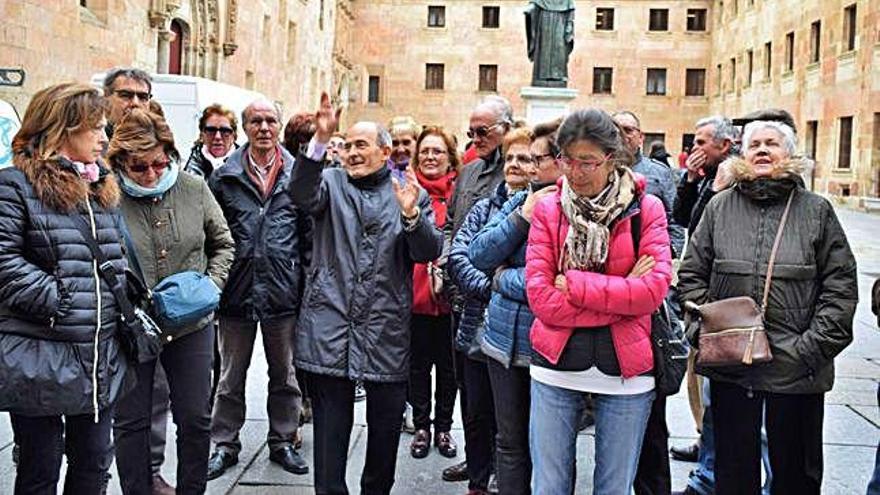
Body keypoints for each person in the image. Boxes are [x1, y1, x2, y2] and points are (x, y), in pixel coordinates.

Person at [678, 119, 857, 495]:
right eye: (755, 143)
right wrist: (708, 336)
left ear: (788, 153)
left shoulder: (816, 211)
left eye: (772, 143)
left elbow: (840, 288)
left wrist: (806, 351)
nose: (762, 150)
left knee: (796, 477)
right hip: (731, 368)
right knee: (732, 475)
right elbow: (692, 278)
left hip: (797, 372)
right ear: (742, 153)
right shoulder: (719, 208)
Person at [291, 93, 443, 495]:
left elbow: (428, 252)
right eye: (349, 145)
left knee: (384, 433)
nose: (354, 153)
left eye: (363, 145)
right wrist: (320, 141)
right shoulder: (330, 182)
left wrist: (411, 215)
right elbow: (301, 194)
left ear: (385, 151)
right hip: (331, 324)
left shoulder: (408, 192)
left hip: (385, 328)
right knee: (330, 434)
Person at [526, 108, 672, 494]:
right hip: (554, 366)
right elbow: (541, 298)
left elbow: (653, 290)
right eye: (567, 160)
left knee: (615, 488)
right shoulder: (548, 209)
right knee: (549, 486)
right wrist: (621, 293)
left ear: (612, 158)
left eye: (587, 162)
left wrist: (573, 284)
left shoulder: (647, 210)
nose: (575, 173)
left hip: (627, 373)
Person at [0, 82, 131, 494]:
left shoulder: (100, 187)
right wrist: (62, 300)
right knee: (40, 467)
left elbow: (113, 257)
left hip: (98, 352)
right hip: (41, 351)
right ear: (61, 129)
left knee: (93, 464)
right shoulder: (14, 185)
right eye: (94, 128)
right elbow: (4, 262)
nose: (104, 139)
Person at [107, 108, 235, 495]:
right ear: (119, 163)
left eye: (159, 164)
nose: (150, 175)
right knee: (131, 421)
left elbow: (224, 244)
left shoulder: (193, 188)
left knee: (195, 418)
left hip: (190, 324)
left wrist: (212, 287)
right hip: (131, 328)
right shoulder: (105, 197)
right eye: (138, 167)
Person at [206, 98, 310, 479]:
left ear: (279, 126)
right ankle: (224, 443)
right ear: (245, 127)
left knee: (285, 374)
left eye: (270, 121)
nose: (263, 128)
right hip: (237, 290)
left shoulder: (296, 175)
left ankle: (283, 439)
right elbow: (212, 235)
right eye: (256, 121)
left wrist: (305, 284)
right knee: (230, 377)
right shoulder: (224, 177)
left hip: (284, 291)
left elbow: (308, 237)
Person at [467, 120, 563, 495]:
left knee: (549, 448)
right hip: (502, 343)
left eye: (538, 159)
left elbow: (562, 283)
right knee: (508, 443)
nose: (532, 168)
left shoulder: (578, 207)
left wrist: (503, 279)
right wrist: (522, 217)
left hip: (549, 346)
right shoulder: (520, 200)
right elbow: (479, 252)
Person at [448, 128, 536, 495]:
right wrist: (490, 288)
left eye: (526, 158)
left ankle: (509, 479)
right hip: (476, 327)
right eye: (511, 158)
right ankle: (478, 479)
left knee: (515, 421)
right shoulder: (484, 207)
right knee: (476, 411)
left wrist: (502, 280)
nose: (515, 164)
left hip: (522, 335)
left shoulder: (545, 211)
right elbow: (459, 255)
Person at [441, 95, 513, 486]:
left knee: (499, 396)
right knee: (469, 393)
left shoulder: (516, 173)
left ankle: (503, 468)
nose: (474, 138)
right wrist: (447, 258)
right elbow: (452, 224)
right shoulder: (468, 172)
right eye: (469, 132)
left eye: (481, 131)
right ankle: (476, 461)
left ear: (505, 128)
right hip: (463, 294)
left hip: (499, 300)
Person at [408, 126, 461, 460]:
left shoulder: (459, 192)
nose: (430, 157)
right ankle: (421, 426)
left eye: (437, 151)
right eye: (424, 151)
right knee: (416, 366)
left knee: (448, 368)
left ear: (449, 158)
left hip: (447, 298)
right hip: (412, 295)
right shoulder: (406, 190)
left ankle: (443, 427)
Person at [184, 104, 238, 179]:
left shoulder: (247, 167)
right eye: (211, 130)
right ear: (202, 134)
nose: (217, 137)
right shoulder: (189, 171)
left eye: (225, 131)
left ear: (234, 136)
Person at [103, 67, 153, 138]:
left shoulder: (160, 145)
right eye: (126, 95)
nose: (135, 103)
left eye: (143, 97)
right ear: (106, 101)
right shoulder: (95, 144)